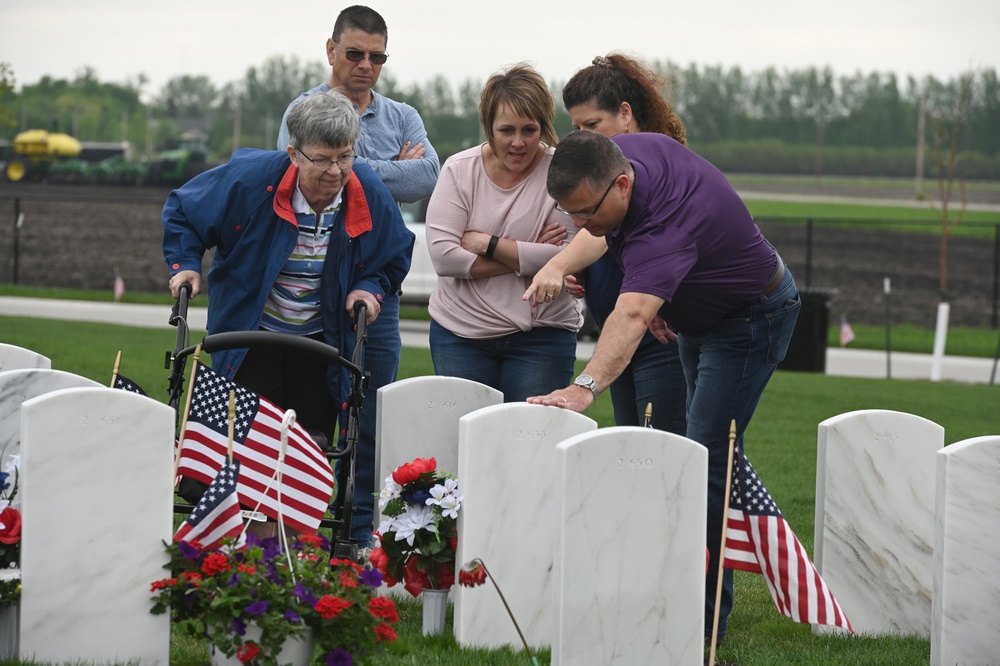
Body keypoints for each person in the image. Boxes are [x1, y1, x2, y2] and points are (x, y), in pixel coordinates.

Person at [524, 130, 800, 643]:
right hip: (698, 316)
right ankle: (667, 587)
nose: (580, 227)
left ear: (622, 185)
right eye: (570, 215)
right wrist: (663, 293)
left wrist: (582, 388)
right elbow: (620, 257)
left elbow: (630, 313)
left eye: (586, 213)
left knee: (707, 454)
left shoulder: (663, 226)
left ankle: (701, 624)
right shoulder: (630, 152)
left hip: (751, 318)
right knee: (690, 450)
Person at [164, 91, 414, 549]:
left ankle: (280, 553)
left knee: (308, 444)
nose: (336, 171)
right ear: (293, 154)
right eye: (322, 159)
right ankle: (226, 546)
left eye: (346, 156)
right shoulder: (249, 180)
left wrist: (371, 289)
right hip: (249, 332)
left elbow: (393, 256)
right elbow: (183, 209)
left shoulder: (365, 190)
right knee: (239, 443)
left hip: (320, 339)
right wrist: (184, 263)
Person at [425, 64, 582, 402]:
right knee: (465, 445)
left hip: (543, 337)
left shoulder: (564, 171)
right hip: (460, 334)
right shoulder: (458, 170)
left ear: (544, 124)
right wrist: (529, 257)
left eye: (530, 129)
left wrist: (488, 244)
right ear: (488, 126)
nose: (518, 142)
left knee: (529, 446)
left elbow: (570, 255)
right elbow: (444, 258)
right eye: (506, 130)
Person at [561, 53, 687, 434]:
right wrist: (578, 267)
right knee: (628, 442)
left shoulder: (658, 173)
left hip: (656, 334)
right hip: (615, 330)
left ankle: (741, 498)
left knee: (659, 446)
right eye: (577, 126)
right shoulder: (605, 174)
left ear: (626, 113)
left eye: (593, 124)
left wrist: (558, 264)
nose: (585, 136)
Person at [276, 4, 439, 205]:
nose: (365, 65)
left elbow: (429, 178)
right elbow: (303, 178)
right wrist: (397, 170)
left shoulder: (403, 116)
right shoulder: (302, 110)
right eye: (355, 54)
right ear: (331, 50)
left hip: (385, 237)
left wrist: (343, 167)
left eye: (377, 57)